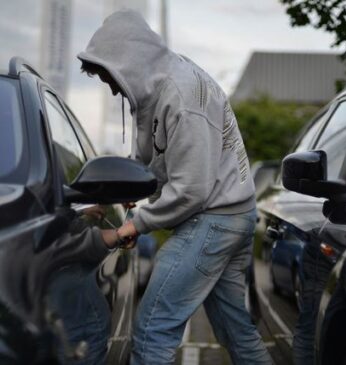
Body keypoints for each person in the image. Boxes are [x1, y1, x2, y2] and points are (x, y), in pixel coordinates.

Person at [78, 9, 272, 365]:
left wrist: (129, 228)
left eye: (109, 76)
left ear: (129, 60)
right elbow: (144, 166)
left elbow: (192, 190)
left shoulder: (181, 97)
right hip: (231, 215)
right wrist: (103, 199)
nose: (110, 86)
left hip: (213, 219)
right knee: (236, 332)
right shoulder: (154, 88)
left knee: (153, 329)